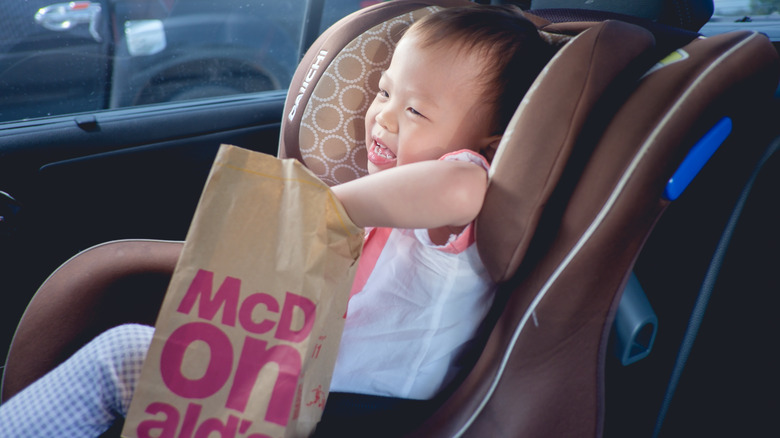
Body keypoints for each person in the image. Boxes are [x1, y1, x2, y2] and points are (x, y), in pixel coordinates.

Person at [0, 5, 553, 436]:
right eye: (385, 91)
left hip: (366, 413)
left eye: (414, 111)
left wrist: (318, 203)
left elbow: (461, 186)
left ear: (491, 143)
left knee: (121, 354)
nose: (382, 115)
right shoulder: (405, 197)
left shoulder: (461, 184)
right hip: (311, 382)